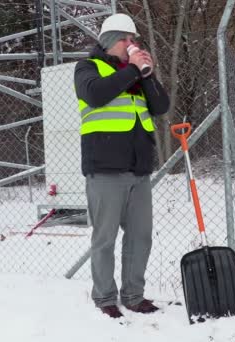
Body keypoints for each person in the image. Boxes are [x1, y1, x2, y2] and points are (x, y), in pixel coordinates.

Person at [73, 13, 170, 318]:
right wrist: (131, 70)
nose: (133, 44)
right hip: (105, 169)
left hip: (138, 169)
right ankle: (104, 297)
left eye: (135, 40)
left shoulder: (137, 74)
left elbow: (161, 106)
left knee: (140, 236)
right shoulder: (88, 68)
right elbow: (96, 94)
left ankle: (134, 295)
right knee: (105, 238)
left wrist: (148, 74)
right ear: (112, 41)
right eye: (128, 39)